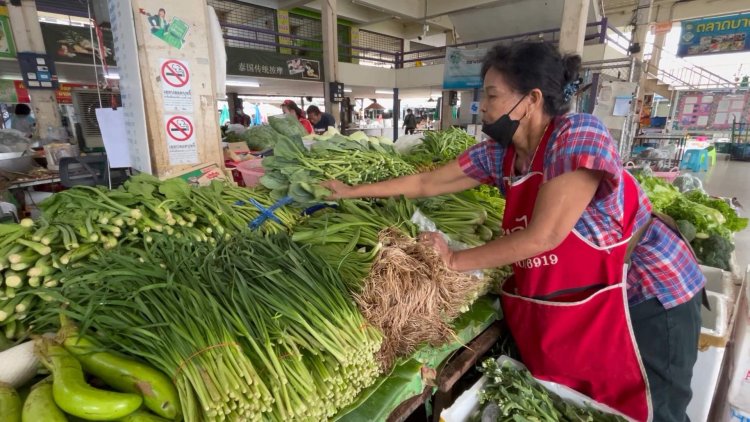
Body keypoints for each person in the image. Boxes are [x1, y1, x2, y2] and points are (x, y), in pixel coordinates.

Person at [323, 42, 705, 422]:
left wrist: (454, 259)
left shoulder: (577, 134)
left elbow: (544, 236)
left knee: (654, 411)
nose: (483, 107)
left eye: (492, 95)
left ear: (530, 100)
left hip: (646, 294)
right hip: (588, 303)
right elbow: (426, 183)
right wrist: (351, 191)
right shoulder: (501, 155)